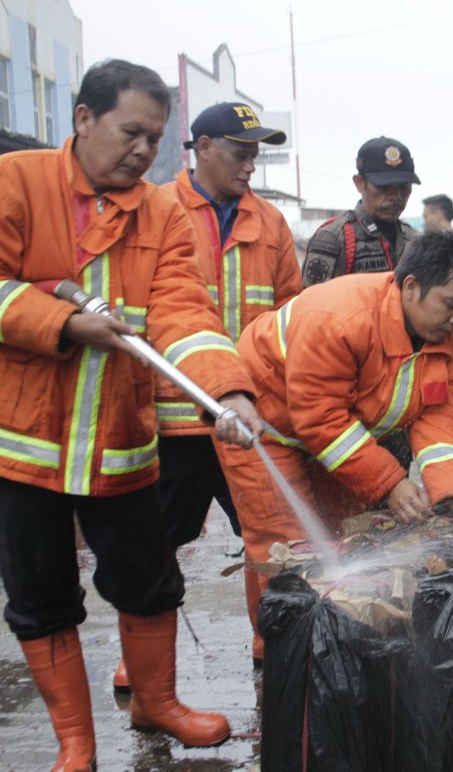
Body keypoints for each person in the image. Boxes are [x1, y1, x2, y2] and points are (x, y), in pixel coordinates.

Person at [0, 59, 264, 769]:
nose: (144, 151)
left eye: (155, 138)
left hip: (121, 444)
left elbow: (184, 309)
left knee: (150, 581)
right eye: (131, 132)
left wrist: (229, 390)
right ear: (82, 118)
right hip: (23, 447)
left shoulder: (160, 211)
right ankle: (75, 743)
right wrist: (59, 322)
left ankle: (158, 704)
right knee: (43, 596)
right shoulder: (16, 182)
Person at [97, 103, 304, 695]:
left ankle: (273, 637)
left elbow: (291, 315)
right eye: (240, 153)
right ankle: (139, 657)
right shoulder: (153, 210)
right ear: (203, 147)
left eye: (256, 154)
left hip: (247, 415)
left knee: (271, 536)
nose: (250, 166)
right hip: (172, 416)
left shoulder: (270, 223)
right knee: (154, 540)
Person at [216, 233, 453, 664]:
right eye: (450, 304)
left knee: (337, 540)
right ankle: (277, 653)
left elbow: (439, 422)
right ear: (410, 287)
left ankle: (329, 645)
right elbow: (319, 418)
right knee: (288, 547)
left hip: (336, 435)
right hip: (263, 430)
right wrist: (390, 485)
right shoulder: (339, 317)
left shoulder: (448, 340)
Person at [301, 136, 421, 286]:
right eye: (384, 186)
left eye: (403, 187)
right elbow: (312, 303)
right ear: (359, 183)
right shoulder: (334, 237)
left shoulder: (414, 240)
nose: (396, 196)